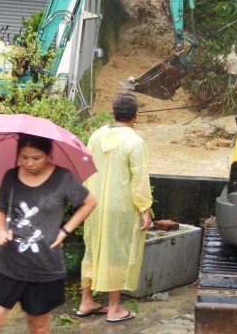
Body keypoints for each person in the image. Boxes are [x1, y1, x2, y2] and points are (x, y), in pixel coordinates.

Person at [0, 134, 97, 334]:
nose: (29, 163)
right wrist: (0, 230)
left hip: (44, 267)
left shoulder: (63, 178)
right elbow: (0, 210)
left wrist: (65, 231)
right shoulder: (11, 177)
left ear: (48, 154)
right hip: (8, 264)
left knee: (38, 327)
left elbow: (90, 202)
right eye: (24, 157)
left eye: (36, 158)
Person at [78, 92, 152, 323]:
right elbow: (139, 179)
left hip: (95, 204)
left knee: (93, 249)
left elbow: (86, 169)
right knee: (117, 253)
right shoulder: (134, 141)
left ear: (113, 112)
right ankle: (114, 308)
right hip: (120, 207)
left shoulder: (96, 136)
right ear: (136, 116)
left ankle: (86, 301)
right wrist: (145, 210)